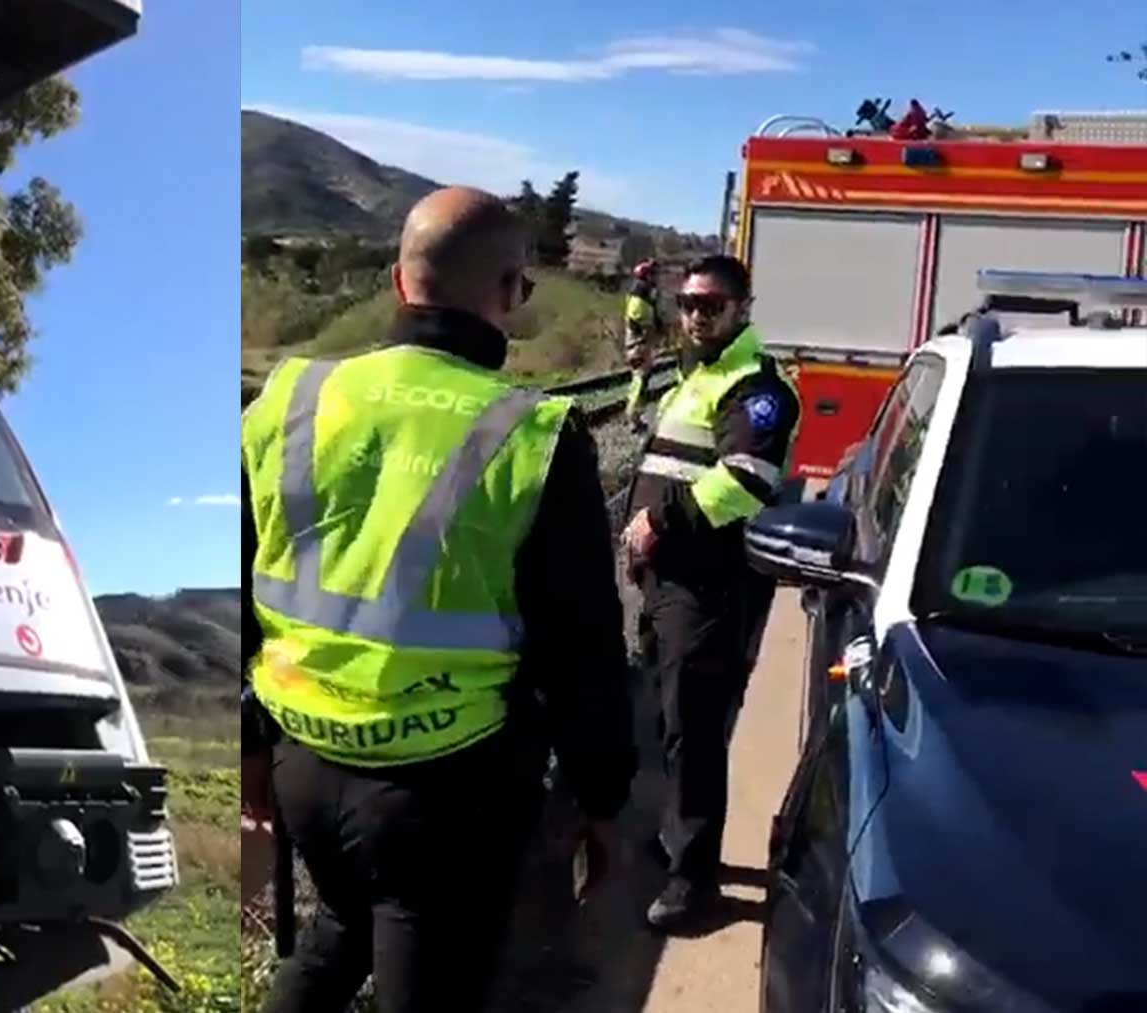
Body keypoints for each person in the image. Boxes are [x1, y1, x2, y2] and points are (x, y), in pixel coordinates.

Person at [240, 186, 637, 1013]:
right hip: (446, 790)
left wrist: (252, 746)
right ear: (509, 293)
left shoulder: (290, 399)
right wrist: (601, 801)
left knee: (340, 928)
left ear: (396, 281)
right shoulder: (531, 434)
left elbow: (243, 588)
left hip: (305, 757)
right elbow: (582, 646)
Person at [618, 254, 800, 930]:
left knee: (694, 728)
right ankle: (675, 837)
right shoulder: (698, 375)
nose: (697, 313)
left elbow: (746, 478)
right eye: (690, 302)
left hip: (710, 584)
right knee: (671, 721)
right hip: (668, 578)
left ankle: (694, 883)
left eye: (713, 303)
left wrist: (656, 521)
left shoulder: (756, 387)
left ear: (743, 309)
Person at [622, 259, 665, 432]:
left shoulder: (639, 298)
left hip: (639, 346)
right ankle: (633, 419)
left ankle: (635, 416)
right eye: (653, 275)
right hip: (639, 347)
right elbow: (648, 327)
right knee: (640, 383)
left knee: (640, 382)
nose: (656, 279)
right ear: (646, 277)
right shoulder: (640, 302)